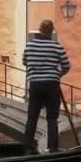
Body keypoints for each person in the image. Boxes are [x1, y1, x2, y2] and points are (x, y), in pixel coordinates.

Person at [22, 19, 71, 154]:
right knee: (52, 118)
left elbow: (24, 61)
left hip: (35, 84)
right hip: (52, 84)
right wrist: (58, 74)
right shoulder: (57, 46)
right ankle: (53, 148)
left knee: (32, 117)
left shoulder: (29, 46)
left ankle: (27, 147)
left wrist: (36, 69)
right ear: (51, 31)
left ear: (40, 30)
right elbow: (66, 65)